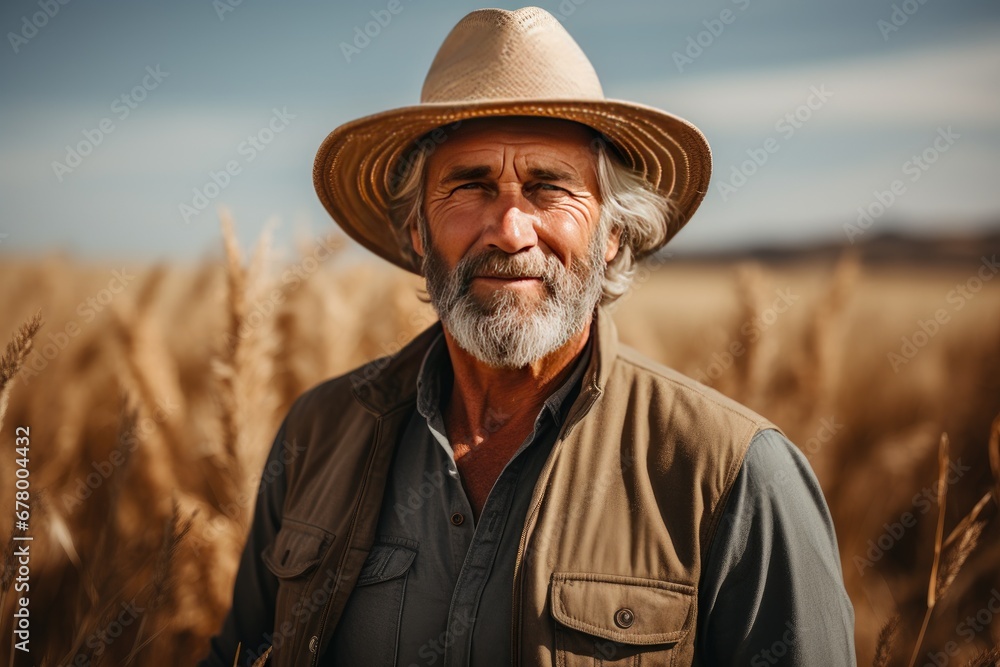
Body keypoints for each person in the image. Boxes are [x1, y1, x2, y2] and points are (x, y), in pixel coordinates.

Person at [201, 7, 855, 666]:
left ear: (613, 237)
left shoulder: (734, 473)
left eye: (549, 188)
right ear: (418, 232)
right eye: (470, 186)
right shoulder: (320, 432)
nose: (511, 231)